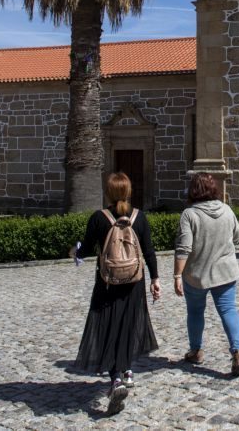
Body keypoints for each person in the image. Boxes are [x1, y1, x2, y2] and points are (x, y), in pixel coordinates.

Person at [75, 172, 161, 414]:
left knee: (109, 326)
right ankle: (128, 370)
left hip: (107, 283)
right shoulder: (139, 218)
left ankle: (115, 379)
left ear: (109, 193)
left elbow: (85, 247)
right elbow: (150, 251)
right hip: (134, 282)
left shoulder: (98, 218)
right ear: (129, 192)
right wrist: (155, 279)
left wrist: (75, 252)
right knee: (128, 324)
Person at [173, 172, 239, 377]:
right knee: (229, 311)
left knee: (195, 312)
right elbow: (237, 236)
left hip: (196, 275)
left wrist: (177, 275)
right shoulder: (227, 210)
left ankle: (196, 351)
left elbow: (184, 248)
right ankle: (238, 353)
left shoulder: (189, 214)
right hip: (225, 272)